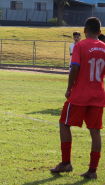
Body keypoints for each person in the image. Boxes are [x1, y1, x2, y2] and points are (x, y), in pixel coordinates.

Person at [50, 17, 105, 179]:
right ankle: (92, 170)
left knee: (64, 123)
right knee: (95, 132)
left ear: (85, 30)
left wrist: (69, 89)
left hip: (80, 95)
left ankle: (66, 162)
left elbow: (74, 67)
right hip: (98, 95)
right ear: (100, 32)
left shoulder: (80, 45)